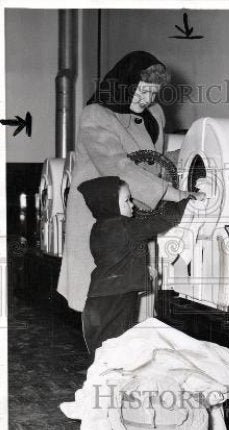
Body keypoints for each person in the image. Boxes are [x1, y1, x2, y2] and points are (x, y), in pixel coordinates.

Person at [57, 51, 204, 312]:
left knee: (132, 295)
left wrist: (195, 151)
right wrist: (174, 195)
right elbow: (118, 167)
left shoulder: (154, 114)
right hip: (98, 215)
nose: (148, 99)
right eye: (142, 91)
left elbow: (152, 162)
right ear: (126, 83)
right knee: (102, 297)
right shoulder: (95, 114)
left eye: (154, 93)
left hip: (136, 210)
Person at [78, 175, 191, 355]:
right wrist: (186, 200)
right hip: (116, 302)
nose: (133, 205)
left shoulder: (99, 228)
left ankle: (104, 380)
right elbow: (159, 221)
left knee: (105, 352)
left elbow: (115, 259)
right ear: (111, 205)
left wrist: (141, 271)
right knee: (116, 353)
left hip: (98, 301)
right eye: (127, 200)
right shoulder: (124, 226)